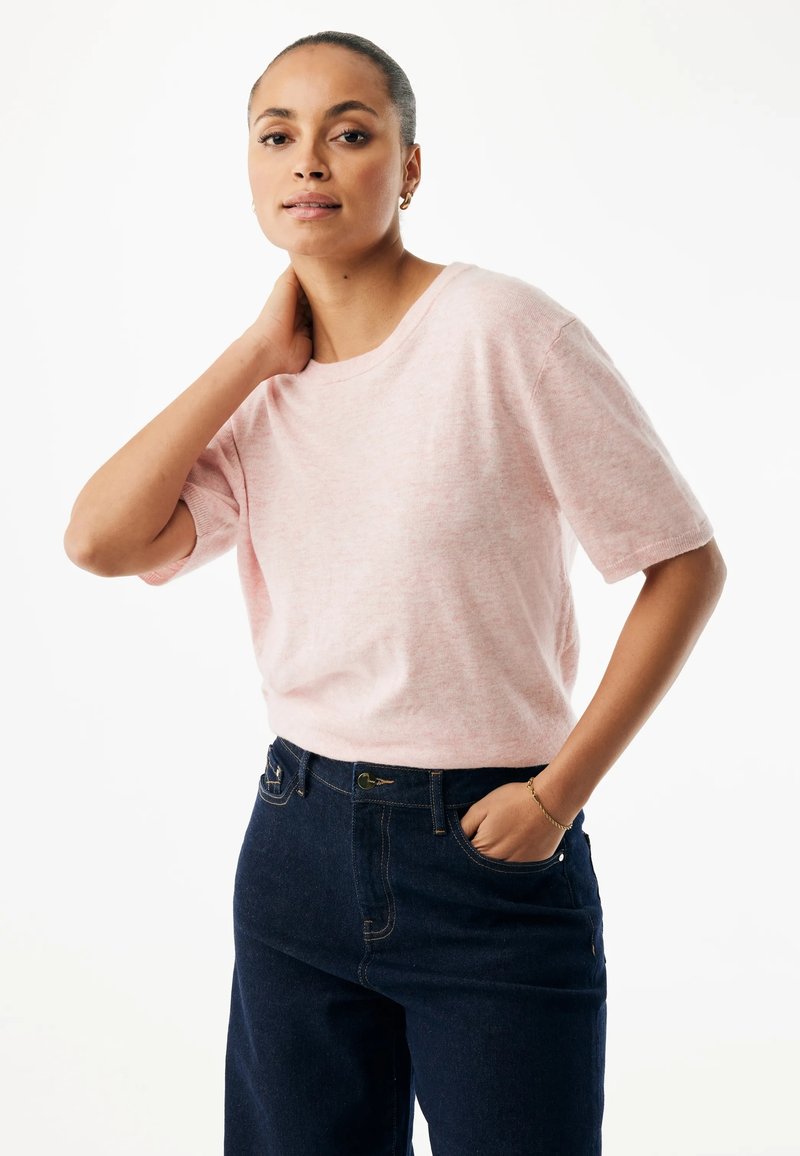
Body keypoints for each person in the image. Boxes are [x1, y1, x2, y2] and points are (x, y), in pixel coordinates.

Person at [63, 29, 727, 1156]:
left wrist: (556, 795)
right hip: (295, 848)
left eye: (350, 133)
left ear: (408, 169)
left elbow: (683, 564)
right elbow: (97, 538)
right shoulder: (264, 391)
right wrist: (246, 357)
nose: (308, 161)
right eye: (278, 136)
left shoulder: (503, 333)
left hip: (488, 851)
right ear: (251, 170)